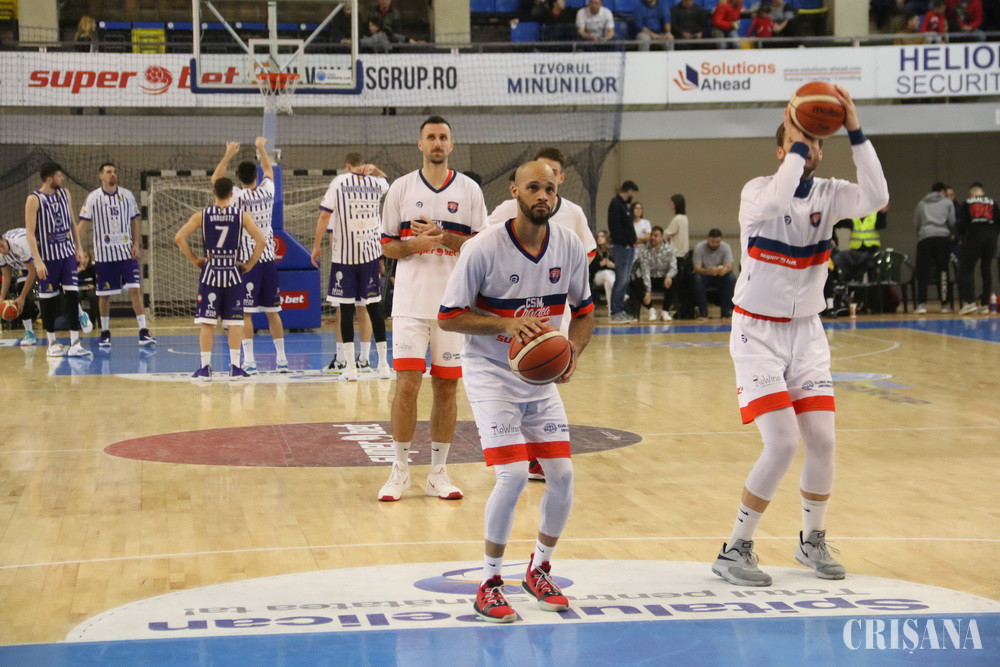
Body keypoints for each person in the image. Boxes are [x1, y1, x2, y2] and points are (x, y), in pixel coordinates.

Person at [713, 87, 889, 587]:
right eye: (800, 143)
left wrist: (855, 129)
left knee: (823, 440)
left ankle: (811, 541)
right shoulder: (757, 192)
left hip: (807, 333)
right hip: (757, 333)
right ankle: (734, 548)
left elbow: (877, 197)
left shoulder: (831, 194)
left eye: (816, 144)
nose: (810, 150)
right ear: (782, 149)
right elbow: (777, 199)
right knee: (783, 442)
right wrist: (797, 139)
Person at [437, 160, 595, 623]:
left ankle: (539, 569)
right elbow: (449, 317)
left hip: (538, 378)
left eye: (549, 189)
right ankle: (489, 582)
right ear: (514, 191)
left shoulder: (568, 245)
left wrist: (572, 351)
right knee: (512, 476)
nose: (542, 196)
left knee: (562, 475)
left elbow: (585, 311)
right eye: (533, 188)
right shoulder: (483, 248)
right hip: (490, 371)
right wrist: (506, 324)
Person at [378, 115, 488, 502]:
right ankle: (400, 469)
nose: (437, 142)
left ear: (451, 145)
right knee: (407, 385)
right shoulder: (401, 188)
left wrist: (445, 238)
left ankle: (438, 472)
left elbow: (482, 247)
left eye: (443, 137)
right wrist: (412, 245)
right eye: (431, 137)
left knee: (446, 387)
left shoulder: (469, 190)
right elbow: (387, 245)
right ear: (420, 144)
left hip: (454, 307)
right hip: (410, 304)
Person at [486, 146, 596, 483]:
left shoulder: (573, 214)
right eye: (535, 181)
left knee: (544, 371)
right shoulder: (508, 210)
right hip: (512, 307)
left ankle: (537, 454)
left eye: (551, 179)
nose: (542, 190)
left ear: (560, 179)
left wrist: (562, 274)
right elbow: (484, 242)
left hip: (553, 305)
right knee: (511, 376)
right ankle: (516, 448)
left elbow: (587, 253)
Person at [175, 178, 265, 381]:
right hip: (233, 273)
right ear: (232, 194)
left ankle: (205, 368)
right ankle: (235, 367)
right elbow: (262, 241)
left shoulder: (201, 215)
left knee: (207, 323)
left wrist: (194, 260)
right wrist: (249, 264)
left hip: (211, 273)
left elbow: (179, 238)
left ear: (213, 192)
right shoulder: (242, 216)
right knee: (234, 323)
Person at [311, 152, 392, 381]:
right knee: (374, 308)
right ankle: (383, 365)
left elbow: (324, 217)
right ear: (363, 165)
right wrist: (374, 169)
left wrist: (315, 246)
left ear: (347, 166)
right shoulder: (375, 183)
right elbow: (387, 181)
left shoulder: (339, 182)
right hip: (371, 256)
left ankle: (350, 368)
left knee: (345, 311)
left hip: (345, 258)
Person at [211, 137, 289, 374]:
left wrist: (228, 154)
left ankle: (251, 362)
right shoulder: (267, 190)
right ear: (256, 176)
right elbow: (269, 170)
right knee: (273, 313)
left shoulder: (237, 197)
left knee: (245, 313)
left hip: (247, 262)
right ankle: (282, 360)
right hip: (268, 260)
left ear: (238, 178)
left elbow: (216, 181)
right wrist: (261, 148)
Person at [77, 162, 156, 348]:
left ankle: (143, 331)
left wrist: (136, 244)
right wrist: (77, 247)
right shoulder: (93, 198)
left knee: (135, 289)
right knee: (104, 295)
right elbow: (83, 224)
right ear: (101, 176)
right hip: (104, 257)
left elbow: (134, 221)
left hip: (126, 254)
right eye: (108, 172)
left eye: (114, 171)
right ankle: (105, 332)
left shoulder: (127, 195)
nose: (112, 174)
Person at [24, 162, 91, 358]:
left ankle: (75, 342)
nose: (62, 179)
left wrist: (79, 248)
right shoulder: (34, 199)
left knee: (72, 296)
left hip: (67, 254)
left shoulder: (65, 194)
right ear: (49, 179)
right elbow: (29, 233)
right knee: (49, 300)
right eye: (59, 176)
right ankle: (52, 342)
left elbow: (72, 223)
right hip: (47, 258)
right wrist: (38, 261)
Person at [956, 182, 999, 315]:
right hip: (991, 237)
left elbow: (963, 223)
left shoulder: (967, 202)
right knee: (986, 268)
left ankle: (970, 302)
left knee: (967, 268)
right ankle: (985, 304)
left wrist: (962, 235)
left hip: (975, 235)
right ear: (983, 192)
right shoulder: (992, 202)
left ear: (972, 193)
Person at [913, 182, 956, 314]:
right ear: (943, 191)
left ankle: (921, 304)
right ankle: (945, 305)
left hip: (925, 238)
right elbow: (952, 221)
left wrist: (922, 234)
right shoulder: (948, 203)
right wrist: (950, 233)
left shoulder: (922, 203)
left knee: (922, 272)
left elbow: (917, 223)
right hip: (942, 238)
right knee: (943, 271)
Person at [0, 228, 39, 346]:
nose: (2, 250)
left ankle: (80, 313)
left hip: (41, 257)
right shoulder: (0, 254)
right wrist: (1, 298)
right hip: (23, 265)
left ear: (4, 239)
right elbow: (6, 276)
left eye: (1, 246)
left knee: (54, 291)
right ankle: (29, 334)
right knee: (20, 296)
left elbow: (32, 272)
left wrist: (22, 297)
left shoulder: (19, 243)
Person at [608, 180, 639, 322]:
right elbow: (614, 226)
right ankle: (616, 311)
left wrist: (632, 242)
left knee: (625, 280)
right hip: (621, 247)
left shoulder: (623, 205)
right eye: (633, 193)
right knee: (621, 279)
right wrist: (624, 243)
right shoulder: (615, 203)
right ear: (629, 191)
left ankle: (621, 309)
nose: (633, 196)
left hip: (629, 247)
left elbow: (627, 227)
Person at [633, 226, 677, 322]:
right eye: (652, 235)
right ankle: (651, 310)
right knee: (635, 283)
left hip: (664, 279)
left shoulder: (669, 250)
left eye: (656, 236)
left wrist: (669, 276)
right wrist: (648, 291)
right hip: (651, 278)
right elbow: (645, 272)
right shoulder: (645, 252)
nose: (653, 238)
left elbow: (673, 267)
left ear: (661, 238)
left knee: (674, 281)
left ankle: (665, 311)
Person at [692, 228, 736, 319]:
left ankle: (726, 312)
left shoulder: (726, 247)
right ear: (708, 239)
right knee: (697, 278)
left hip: (720, 276)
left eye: (717, 242)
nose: (715, 244)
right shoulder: (699, 247)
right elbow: (697, 268)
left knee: (731, 277)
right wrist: (708, 271)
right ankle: (703, 312)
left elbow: (730, 266)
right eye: (712, 242)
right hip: (705, 276)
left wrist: (724, 270)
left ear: (721, 240)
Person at [590, 230, 615, 313]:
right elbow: (590, 268)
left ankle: (611, 311)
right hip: (597, 277)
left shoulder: (612, 251)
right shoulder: (594, 251)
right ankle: (620, 294)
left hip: (611, 275)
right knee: (606, 273)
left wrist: (613, 265)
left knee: (607, 283)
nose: (599, 238)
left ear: (606, 238)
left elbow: (618, 266)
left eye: (602, 236)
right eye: (598, 237)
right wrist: (599, 264)